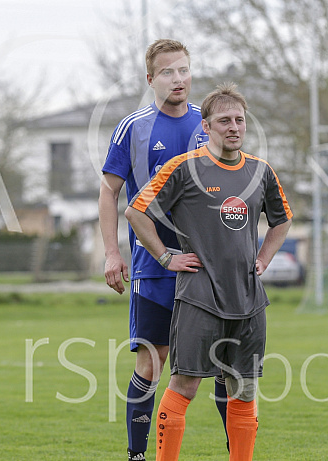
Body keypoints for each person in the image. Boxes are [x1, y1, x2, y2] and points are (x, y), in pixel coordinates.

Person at [125, 82, 293, 460]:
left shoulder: (260, 171)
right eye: (224, 120)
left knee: (243, 389)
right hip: (200, 298)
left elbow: (282, 220)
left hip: (248, 300)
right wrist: (167, 257)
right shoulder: (184, 169)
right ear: (206, 126)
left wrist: (263, 258)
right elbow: (136, 211)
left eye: (239, 120)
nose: (233, 126)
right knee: (185, 386)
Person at [98, 39, 228, 461]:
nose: (178, 79)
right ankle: (137, 456)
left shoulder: (209, 124)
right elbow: (109, 192)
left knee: (225, 362)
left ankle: (236, 450)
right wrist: (111, 253)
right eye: (168, 72)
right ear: (151, 79)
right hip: (153, 265)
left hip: (207, 267)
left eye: (184, 70)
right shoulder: (133, 127)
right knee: (152, 363)